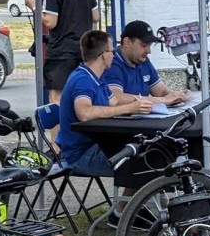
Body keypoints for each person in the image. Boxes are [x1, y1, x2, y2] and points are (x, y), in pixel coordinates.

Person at [55, 30, 152, 176]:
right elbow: (84, 113)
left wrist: (139, 104)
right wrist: (129, 108)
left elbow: (115, 103)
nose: (114, 55)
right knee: (145, 162)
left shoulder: (97, 78)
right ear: (104, 55)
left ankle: (142, 190)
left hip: (97, 145)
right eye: (112, 51)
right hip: (81, 155)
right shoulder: (82, 80)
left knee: (146, 151)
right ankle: (142, 191)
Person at [42, 0, 100, 111]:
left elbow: (51, 22)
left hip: (61, 51)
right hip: (84, 51)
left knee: (57, 98)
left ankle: (59, 129)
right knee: (81, 96)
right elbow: (96, 16)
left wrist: (34, 8)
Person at [102, 20, 187, 106]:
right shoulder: (112, 63)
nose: (149, 51)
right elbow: (116, 98)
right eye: (144, 45)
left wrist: (177, 96)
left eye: (150, 45)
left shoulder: (143, 60)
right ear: (127, 42)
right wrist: (162, 100)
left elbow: (161, 92)